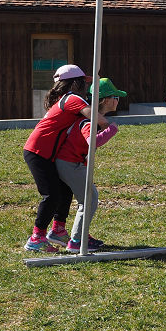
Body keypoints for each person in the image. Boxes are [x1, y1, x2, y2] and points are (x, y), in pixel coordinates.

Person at [23, 65, 108, 252]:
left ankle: (58, 231)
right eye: (84, 82)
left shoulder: (65, 98)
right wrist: (107, 124)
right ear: (75, 83)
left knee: (65, 188)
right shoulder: (73, 98)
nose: (86, 86)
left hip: (46, 152)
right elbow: (96, 118)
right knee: (51, 195)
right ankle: (36, 238)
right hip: (38, 151)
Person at [55, 78, 125, 253]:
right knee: (89, 199)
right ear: (105, 100)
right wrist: (111, 130)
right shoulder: (88, 121)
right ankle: (76, 240)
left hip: (73, 163)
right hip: (69, 163)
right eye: (115, 97)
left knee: (88, 198)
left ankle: (81, 235)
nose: (117, 101)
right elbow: (93, 142)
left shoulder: (93, 119)